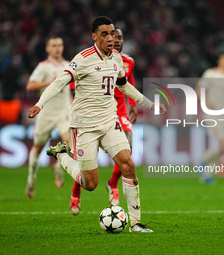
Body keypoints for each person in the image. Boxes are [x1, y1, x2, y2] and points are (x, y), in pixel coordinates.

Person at [28, 16, 166, 232]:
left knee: (128, 165)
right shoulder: (83, 59)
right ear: (94, 36)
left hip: (110, 122)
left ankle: (135, 223)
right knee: (90, 184)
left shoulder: (117, 59)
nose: (110, 38)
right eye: (104, 34)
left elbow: (124, 86)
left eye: (112, 33)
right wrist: (40, 104)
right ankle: (62, 155)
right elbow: (58, 83)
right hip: (84, 127)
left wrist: (148, 104)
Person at [69, 28, 138, 215]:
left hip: (118, 112)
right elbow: (74, 85)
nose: (115, 40)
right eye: (110, 37)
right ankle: (76, 193)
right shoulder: (90, 60)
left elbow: (128, 83)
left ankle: (112, 184)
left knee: (127, 149)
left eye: (119, 37)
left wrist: (133, 104)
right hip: (92, 116)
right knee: (86, 162)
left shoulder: (128, 62)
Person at [25, 37, 73, 198]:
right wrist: (49, 83)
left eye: (59, 45)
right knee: (38, 147)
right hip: (46, 113)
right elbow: (30, 85)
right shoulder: (43, 67)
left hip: (64, 112)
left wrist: (73, 107)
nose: (57, 48)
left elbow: (68, 92)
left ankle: (59, 166)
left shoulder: (68, 65)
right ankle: (31, 178)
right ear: (47, 49)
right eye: (53, 46)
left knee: (71, 141)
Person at [196, 53, 224, 184]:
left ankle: (207, 175)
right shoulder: (210, 73)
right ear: (219, 61)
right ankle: (203, 162)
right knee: (220, 143)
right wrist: (206, 101)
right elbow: (199, 89)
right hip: (213, 113)